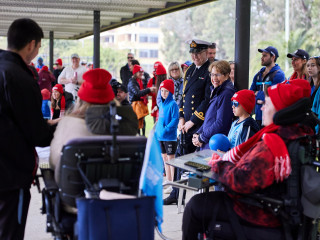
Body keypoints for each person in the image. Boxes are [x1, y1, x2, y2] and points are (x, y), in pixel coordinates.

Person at [182, 81, 314, 240]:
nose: (262, 108)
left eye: (266, 104)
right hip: (271, 207)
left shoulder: (274, 144)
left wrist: (219, 164)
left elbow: (239, 181)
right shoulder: (294, 135)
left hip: (258, 212)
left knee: (195, 206)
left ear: (281, 110)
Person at [0, 18, 53, 240]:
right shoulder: (20, 76)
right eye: (39, 46)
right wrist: (59, 128)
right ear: (31, 44)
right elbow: (37, 134)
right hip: (10, 177)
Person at [50, 68, 116, 195]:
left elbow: (54, 162)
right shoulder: (126, 127)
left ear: (81, 100)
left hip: (75, 200)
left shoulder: (68, 124)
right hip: (118, 202)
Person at [164, 39, 212, 205]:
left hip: (200, 124)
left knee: (198, 163)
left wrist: (192, 121)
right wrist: (182, 117)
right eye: (192, 53)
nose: (195, 56)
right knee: (180, 158)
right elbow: (184, 97)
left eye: (198, 53)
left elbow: (207, 99)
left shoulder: (209, 70)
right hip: (186, 124)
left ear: (206, 52)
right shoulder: (191, 70)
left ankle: (199, 197)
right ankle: (176, 193)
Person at [192, 60, 235, 150]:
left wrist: (202, 137)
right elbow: (210, 118)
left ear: (227, 75)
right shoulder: (217, 91)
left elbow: (221, 123)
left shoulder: (226, 93)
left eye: (218, 75)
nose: (214, 78)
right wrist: (198, 134)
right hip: (208, 141)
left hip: (216, 143)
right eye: (212, 74)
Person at [250, 46, 285, 127]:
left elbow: (273, 95)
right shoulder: (259, 74)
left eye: (265, 56)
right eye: (262, 55)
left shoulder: (279, 74)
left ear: (273, 57)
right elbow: (251, 92)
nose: (262, 58)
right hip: (258, 116)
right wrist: (260, 97)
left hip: (271, 117)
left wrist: (257, 94)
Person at [156, 80, 179, 194]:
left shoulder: (173, 104)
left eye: (166, 91)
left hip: (169, 137)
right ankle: (168, 180)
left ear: (171, 92)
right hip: (161, 137)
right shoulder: (161, 104)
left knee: (171, 160)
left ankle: (172, 184)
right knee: (165, 160)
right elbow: (159, 119)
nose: (163, 93)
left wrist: (166, 129)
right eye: (162, 91)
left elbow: (175, 120)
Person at [128, 65, 156, 135]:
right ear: (135, 73)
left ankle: (143, 137)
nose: (142, 73)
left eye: (142, 72)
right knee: (137, 123)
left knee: (142, 122)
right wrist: (149, 89)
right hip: (135, 106)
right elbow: (138, 93)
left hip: (140, 105)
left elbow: (142, 91)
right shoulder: (132, 82)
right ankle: (138, 139)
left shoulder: (140, 81)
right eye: (139, 72)